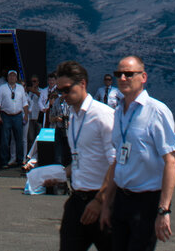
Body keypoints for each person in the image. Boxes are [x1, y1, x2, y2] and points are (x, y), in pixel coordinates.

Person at [97, 56, 175, 251]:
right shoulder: (118, 112)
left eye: (129, 74)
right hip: (122, 200)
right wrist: (107, 204)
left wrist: (164, 210)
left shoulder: (156, 111)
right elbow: (118, 160)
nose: (123, 78)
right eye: (119, 74)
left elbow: (172, 162)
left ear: (143, 77)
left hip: (146, 203)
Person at [56, 60, 114, 251]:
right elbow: (81, 158)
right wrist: (60, 174)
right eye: (60, 91)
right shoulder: (74, 116)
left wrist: (99, 200)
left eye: (66, 89)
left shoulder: (103, 115)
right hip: (77, 201)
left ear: (82, 84)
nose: (63, 95)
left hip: (102, 202)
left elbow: (117, 163)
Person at [0, 69, 31, 165]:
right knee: (5, 139)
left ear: (16, 78)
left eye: (14, 76)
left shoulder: (20, 88)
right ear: (8, 77)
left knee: (19, 139)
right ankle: (5, 160)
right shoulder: (2, 88)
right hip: (6, 115)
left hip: (17, 115)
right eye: (10, 76)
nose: (12, 78)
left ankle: (20, 160)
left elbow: (24, 103)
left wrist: (25, 115)